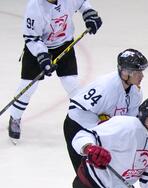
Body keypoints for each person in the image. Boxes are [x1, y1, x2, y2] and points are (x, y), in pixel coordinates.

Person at [63, 48, 148, 188]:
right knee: (88, 175)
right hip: (80, 131)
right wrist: (98, 126)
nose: (142, 75)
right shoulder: (105, 87)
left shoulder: (135, 93)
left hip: (103, 136)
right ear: (125, 72)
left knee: (101, 176)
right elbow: (76, 109)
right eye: (138, 71)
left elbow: (130, 122)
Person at [8, 0, 103, 142]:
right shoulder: (35, 7)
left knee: (71, 83)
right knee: (28, 86)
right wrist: (42, 56)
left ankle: (85, 118)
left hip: (64, 43)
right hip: (38, 48)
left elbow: (82, 2)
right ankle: (15, 117)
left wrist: (89, 14)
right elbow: (32, 38)